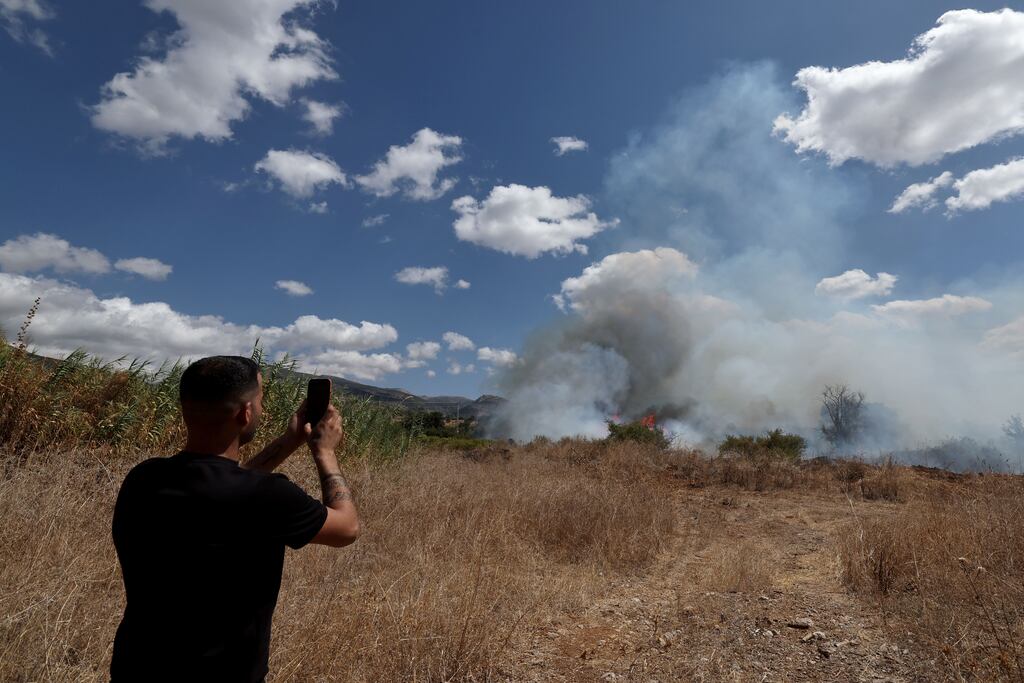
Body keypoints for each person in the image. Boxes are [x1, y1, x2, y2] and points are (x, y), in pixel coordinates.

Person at [110, 355, 360, 682]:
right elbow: (347, 528)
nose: (262, 408)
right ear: (246, 413)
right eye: (260, 400)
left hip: (136, 670)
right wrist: (324, 453)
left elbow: (227, 484)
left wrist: (289, 442)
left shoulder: (143, 479)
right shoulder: (268, 496)